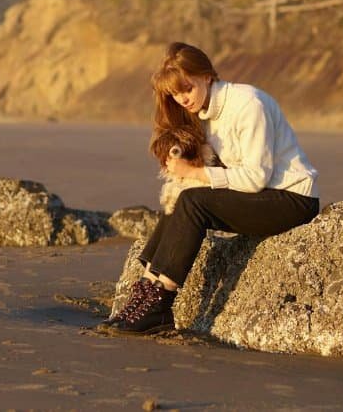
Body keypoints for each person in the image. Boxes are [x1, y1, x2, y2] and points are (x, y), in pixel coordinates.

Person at [106, 42, 320, 334]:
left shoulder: (248, 104)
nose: (182, 98)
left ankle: (160, 304)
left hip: (291, 199)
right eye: (175, 93)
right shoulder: (203, 113)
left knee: (194, 201)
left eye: (187, 88)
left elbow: (256, 177)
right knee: (183, 198)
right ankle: (143, 295)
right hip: (260, 197)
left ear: (206, 75)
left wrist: (195, 172)